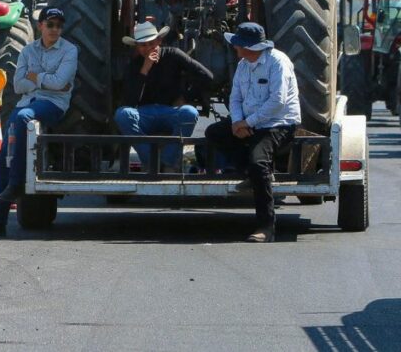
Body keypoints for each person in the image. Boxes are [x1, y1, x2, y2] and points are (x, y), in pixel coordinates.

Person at [0, 7, 77, 238]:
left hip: (53, 105)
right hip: (26, 102)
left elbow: (61, 83)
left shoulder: (70, 50)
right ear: (40, 26)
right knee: (4, 157)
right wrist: (46, 80)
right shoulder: (26, 50)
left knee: (23, 118)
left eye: (59, 25)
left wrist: (35, 78)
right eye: (50, 24)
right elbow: (18, 86)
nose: (55, 29)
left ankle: (16, 184)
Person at [203, 22, 301, 243]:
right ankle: (248, 172)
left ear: (251, 47)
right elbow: (235, 97)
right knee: (214, 133)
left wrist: (249, 122)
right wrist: (237, 121)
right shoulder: (243, 65)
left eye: (238, 45)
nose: (235, 49)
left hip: (277, 124)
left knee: (259, 163)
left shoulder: (278, 62)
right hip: (249, 122)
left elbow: (278, 102)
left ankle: (266, 227)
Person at [114, 22, 214, 172]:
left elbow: (206, 76)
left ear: (159, 41)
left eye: (151, 43)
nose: (147, 48)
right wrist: (145, 69)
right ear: (137, 46)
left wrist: (186, 97)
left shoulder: (173, 54)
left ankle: (168, 161)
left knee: (190, 112)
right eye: (143, 45)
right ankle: (151, 161)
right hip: (144, 114)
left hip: (170, 111)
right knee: (122, 114)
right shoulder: (134, 65)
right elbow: (129, 101)